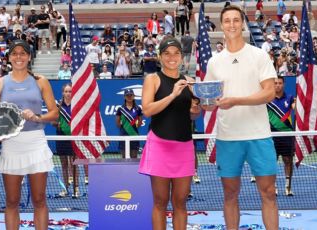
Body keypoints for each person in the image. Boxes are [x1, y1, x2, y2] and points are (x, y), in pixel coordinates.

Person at [203, 6, 278, 230]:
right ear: (221, 26)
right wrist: (198, 100)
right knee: (230, 194)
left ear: (243, 24)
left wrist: (235, 100)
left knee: (269, 193)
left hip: (259, 135)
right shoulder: (214, 62)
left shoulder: (259, 55)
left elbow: (269, 92)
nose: (232, 24)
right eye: (227, 21)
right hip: (228, 137)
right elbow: (208, 102)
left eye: (236, 20)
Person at [0, 39, 58, 230]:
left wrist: (37, 117)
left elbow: (54, 113)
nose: (18, 57)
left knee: (39, 199)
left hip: (36, 142)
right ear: (9, 57)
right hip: (11, 144)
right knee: (12, 201)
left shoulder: (40, 81)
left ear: (29, 57)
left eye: (23, 53)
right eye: (14, 53)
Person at [139, 37, 201, 230]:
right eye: (167, 53)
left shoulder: (190, 82)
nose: (171, 57)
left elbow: (193, 115)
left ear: (182, 57)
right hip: (159, 145)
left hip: (184, 147)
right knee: (160, 201)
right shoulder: (153, 79)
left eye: (176, 53)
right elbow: (147, 110)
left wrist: (196, 108)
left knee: (181, 203)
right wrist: (173, 94)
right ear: (160, 56)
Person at [267, 76, 295, 196]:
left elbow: (296, 109)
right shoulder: (267, 99)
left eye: (280, 83)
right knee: (272, 162)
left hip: (287, 134)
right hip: (271, 135)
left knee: (288, 160)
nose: (277, 85)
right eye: (275, 83)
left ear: (283, 84)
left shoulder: (290, 98)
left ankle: (288, 187)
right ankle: (274, 187)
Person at [53, 83, 80, 198]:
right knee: (64, 164)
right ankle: (65, 189)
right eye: (66, 91)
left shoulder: (77, 105)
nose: (68, 94)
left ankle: (76, 189)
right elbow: (53, 122)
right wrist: (57, 124)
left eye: (70, 91)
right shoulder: (58, 106)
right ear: (63, 93)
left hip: (73, 137)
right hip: (61, 137)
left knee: (74, 164)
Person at [116, 89, 142, 159]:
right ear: (124, 97)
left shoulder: (138, 109)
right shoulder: (120, 109)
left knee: (134, 157)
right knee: (124, 157)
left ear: (134, 96)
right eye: (127, 95)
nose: (129, 96)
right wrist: (125, 128)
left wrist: (133, 127)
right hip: (123, 136)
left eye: (131, 95)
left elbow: (140, 122)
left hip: (134, 136)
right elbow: (117, 123)